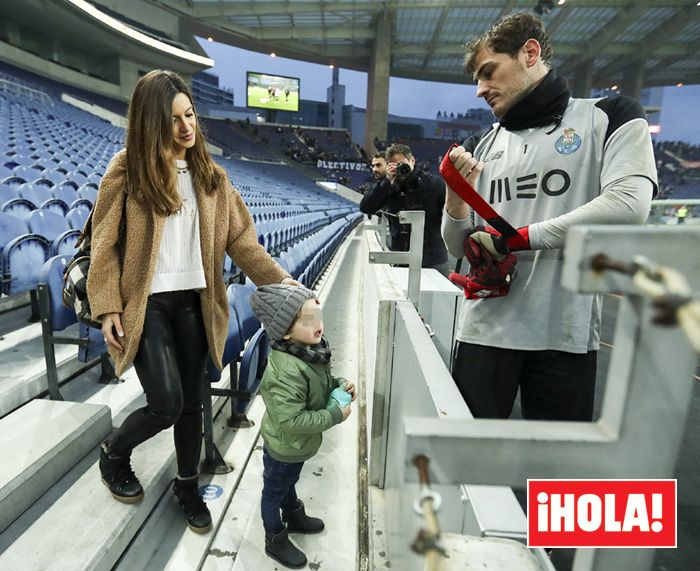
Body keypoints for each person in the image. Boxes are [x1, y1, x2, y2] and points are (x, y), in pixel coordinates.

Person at [87, 70, 296, 533]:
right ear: (149, 123)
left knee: (191, 405)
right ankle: (114, 454)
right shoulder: (127, 170)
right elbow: (104, 244)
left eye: (190, 115)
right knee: (165, 402)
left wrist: (288, 286)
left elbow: (244, 244)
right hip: (148, 304)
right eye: (173, 119)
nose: (186, 128)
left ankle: (186, 484)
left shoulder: (212, 177)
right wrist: (107, 307)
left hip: (196, 303)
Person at [441, 12, 657, 421]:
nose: (480, 90)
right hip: (485, 331)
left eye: (489, 72)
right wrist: (455, 200)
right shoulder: (480, 144)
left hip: (565, 335)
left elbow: (630, 204)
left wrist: (517, 238)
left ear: (530, 52)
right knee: (467, 470)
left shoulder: (610, 115)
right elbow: (457, 246)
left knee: (560, 478)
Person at [250, 284, 355, 568]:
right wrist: (334, 415)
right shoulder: (286, 371)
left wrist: (338, 384)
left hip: (295, 447)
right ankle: (275, 537)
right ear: (285, 331)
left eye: (318, 317)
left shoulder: (309, 351)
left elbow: (320, 384)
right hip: (285, 445)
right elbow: (292, 420)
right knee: (273, 491)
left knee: (288, 480)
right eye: (308, 321)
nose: (318, 325)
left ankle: (293, 514)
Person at [360, 143, 449, 275]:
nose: (401, 169)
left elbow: (452, 212)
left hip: (433, 259)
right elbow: (366, 207)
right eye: (395, 166)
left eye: (403, 164)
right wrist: (386, 182)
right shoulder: (388, 187)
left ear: (412, 161)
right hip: (401, 259)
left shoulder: (434, 184)